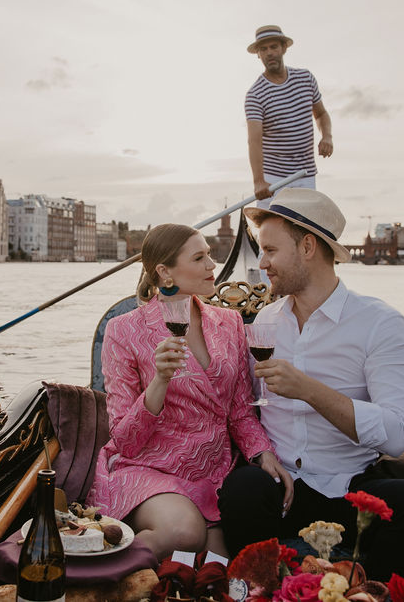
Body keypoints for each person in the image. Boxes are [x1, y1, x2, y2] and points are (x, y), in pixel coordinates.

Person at [217, 188, 404, 579]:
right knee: (241, 490)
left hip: (351, 486)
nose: (262, 263)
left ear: (307, 246)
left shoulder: (381, 324)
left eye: (270, 250)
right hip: (281, 486)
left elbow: (394, 435)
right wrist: (261, 456)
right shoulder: (264, 324)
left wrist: (309, 390)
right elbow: (244, 410)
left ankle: (365, 590)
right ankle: (262, 587)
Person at [87, 223, 290, 560]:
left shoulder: (230, 323)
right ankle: (91, 567)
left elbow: (239, 410)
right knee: (185, 532)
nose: (213, 265)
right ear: (165, 273)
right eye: (199, 258)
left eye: (209, 254)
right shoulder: (122, 331)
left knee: (222, 564)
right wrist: (159, 381)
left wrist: (263, 453)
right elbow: (124, 440)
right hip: (150, 468)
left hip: (213, 472)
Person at [245, 25, 334, 209]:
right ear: (258, 55)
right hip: (273, 178)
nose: (269, 53)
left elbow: (321, 114)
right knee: (270, 231)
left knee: (305, 229)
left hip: (305, 174)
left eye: (274, 47)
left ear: (283, 48)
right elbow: (254, 141)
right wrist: (259, 181)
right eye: (264, 49)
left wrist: (327, 136)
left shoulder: (305, 78)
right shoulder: (255, 94)